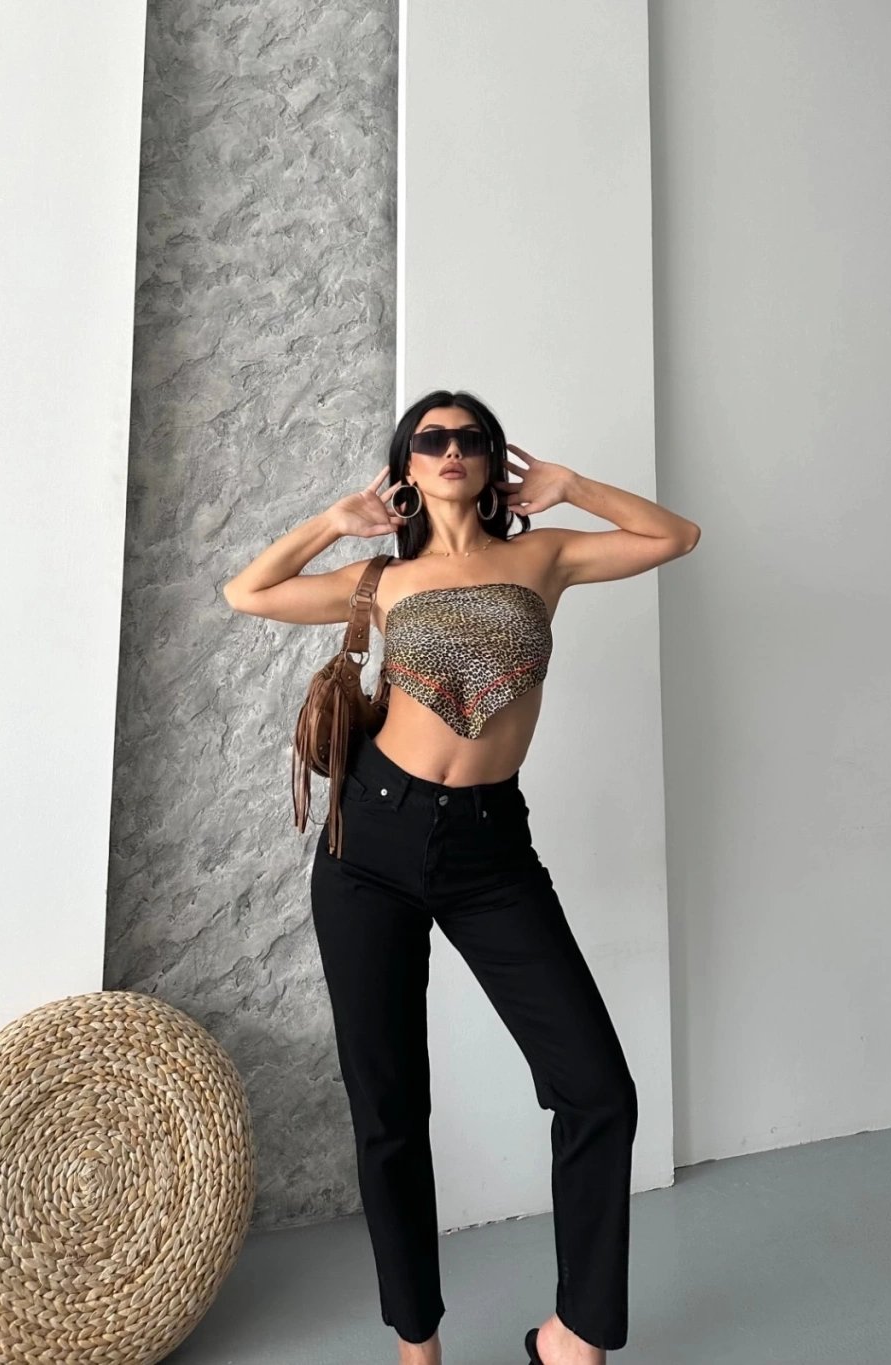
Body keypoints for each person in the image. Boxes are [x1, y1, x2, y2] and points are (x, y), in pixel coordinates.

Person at [223, 389, 701, 1365]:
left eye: (469, 438)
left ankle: (575, 1337)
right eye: (431, 439)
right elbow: (249, 592)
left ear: (491, 461)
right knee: (390, 1111)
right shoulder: (380, 580)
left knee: (597, 1090)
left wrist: (572, 486)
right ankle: (418, 1343)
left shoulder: (544, 556)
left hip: (491, 850)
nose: (452, 449)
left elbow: (675, 536)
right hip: (370, 847)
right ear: (408, 464)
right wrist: (334, 521)